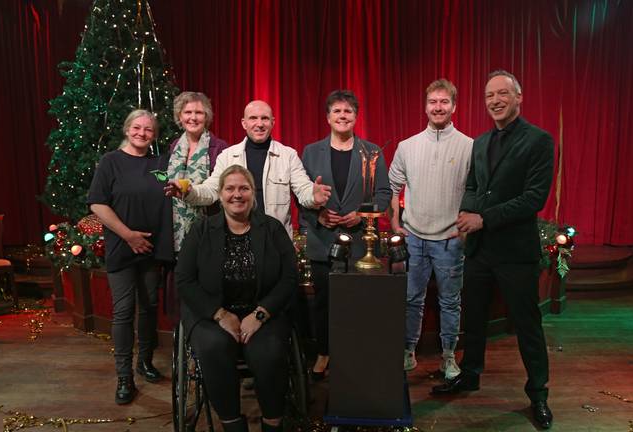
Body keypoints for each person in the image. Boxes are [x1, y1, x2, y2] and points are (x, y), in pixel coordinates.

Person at [430, 70, 555, 430]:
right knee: (474, 317)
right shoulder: (481, 142)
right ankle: (470, 375)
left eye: (502, 94)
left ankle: (539, 394)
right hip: (481, 250)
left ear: (518, 97)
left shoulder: (539, 141)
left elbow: (534, 199)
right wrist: (467, 213)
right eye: (489, 96)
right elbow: (472, 184)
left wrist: (483, 218)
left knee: (527, 324)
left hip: (516, 251)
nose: (495, 101)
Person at [176, 165, 297, 432]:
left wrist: (261, 314)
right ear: (220, 195)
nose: (237, 194)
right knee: (214, 347)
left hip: (262, 311)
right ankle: (232, 423)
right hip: (211, 313)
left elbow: (289, 278)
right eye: (230, 188)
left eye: (244, 188)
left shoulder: (272, 229)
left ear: (253, 194)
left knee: (269, 351)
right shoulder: (202, 230)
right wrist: (220, 314)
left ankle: (272, 422)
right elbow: (184, 280)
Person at [300, 90, 390, 380]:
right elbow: (301, 194)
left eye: (348, 111)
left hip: (361, 243)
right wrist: (319, 214)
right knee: (324, 302)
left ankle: (356, 351)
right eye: (337, 111)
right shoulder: (311, 152)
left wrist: (362, 215)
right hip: (322, 241)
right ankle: (324, 353)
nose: (342, 116)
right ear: (328, 117)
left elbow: (384, 193)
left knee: (358, 301)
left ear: (356, 116)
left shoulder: (372, 152)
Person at [87, 109, 174, 404]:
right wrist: (128, 235)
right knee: (124, 311)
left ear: (155, 135)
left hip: (151, 250)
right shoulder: (110, 162)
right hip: (122, 248)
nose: (142, 133)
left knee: (149, 306)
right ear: (127, 129)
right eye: (137, 127)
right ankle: (124, 377)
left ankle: (145, 362)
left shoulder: (160, 163)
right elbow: (97, 204)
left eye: (149, 130)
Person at [388, 79, 473, 379]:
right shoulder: (407, 146)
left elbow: (476, 191)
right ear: (425, 106)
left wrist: (464, 228)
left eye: (444, 102)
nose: (438, 107)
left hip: (450, 240)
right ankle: (408, 351)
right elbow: (392, 187)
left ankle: (449, 357)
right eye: (433, 102)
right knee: (411, 298)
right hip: (414, 238)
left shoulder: (468, 147)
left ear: (454, 106)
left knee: (450, 301)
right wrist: (396, 223)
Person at [166, 100, 331, 239]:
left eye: (264, 119)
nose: (259, 124)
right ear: (244, 123)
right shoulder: (227, 156)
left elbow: (303, 189)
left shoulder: (288, 155)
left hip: (275, 239)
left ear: (273, 122)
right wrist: (189, 191)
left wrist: (313, 195)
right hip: (236, 239)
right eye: (253, 118)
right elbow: (211, 191)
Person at [165, 92, 229, 323]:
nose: (193, 117)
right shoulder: (174, 146)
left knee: (205, 285)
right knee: (183, 284)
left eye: (199, 112)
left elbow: (220, 192)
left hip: (207, 227)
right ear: (179, 116)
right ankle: (184, 335)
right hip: (176, 230)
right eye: (188, 112)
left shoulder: (219, 147)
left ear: (207, 117)